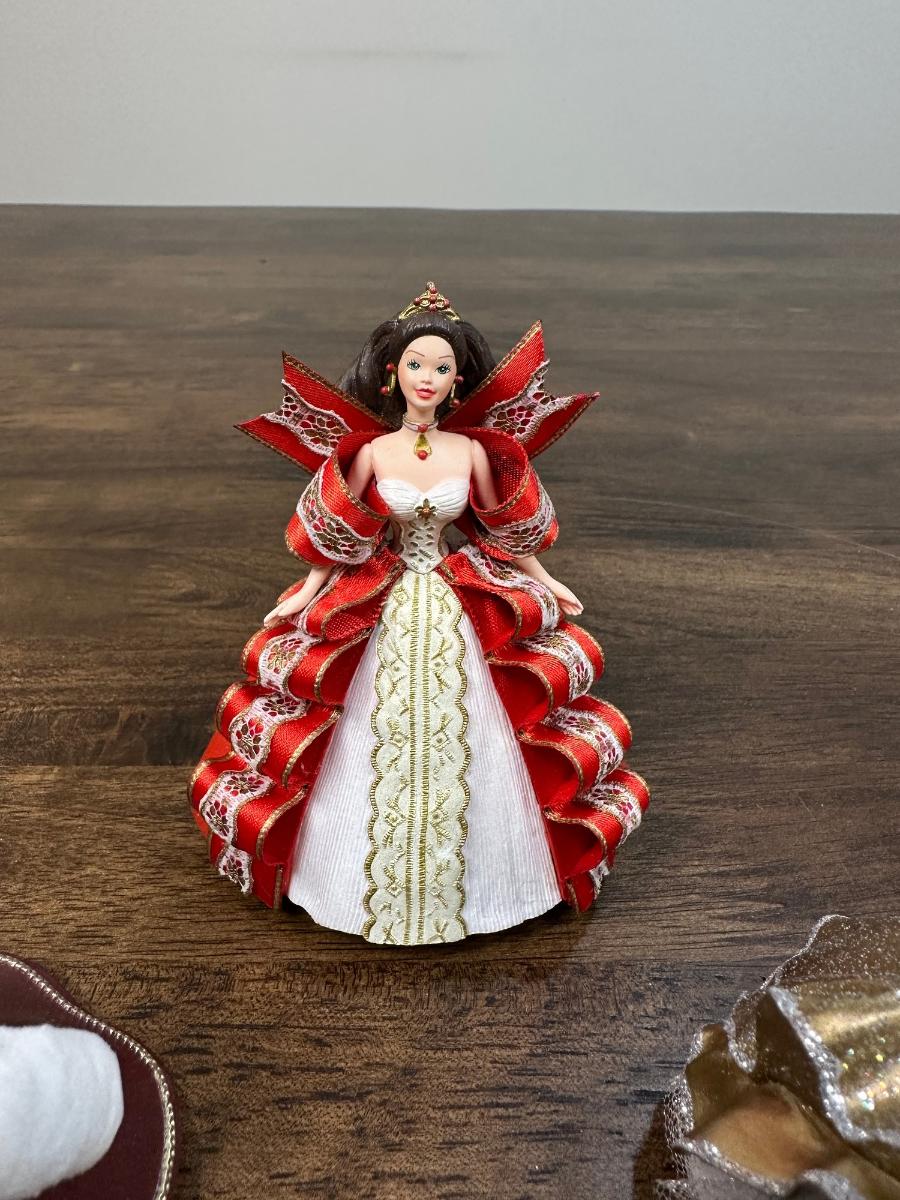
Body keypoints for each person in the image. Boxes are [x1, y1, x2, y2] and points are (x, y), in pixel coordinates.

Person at [189, 282, 649, 945]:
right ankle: (335, 876)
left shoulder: (472, 452)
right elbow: (342, 531)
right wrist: (308, 590)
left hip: (456, 598)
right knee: (358, 724)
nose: (427, 378)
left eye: (441, 367)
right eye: (415, 364)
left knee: (485, 729)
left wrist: (546, 579)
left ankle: (503, 881)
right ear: (392, 373)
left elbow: (499, 527)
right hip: (386, 597)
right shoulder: (373, 454)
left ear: (458, 380)